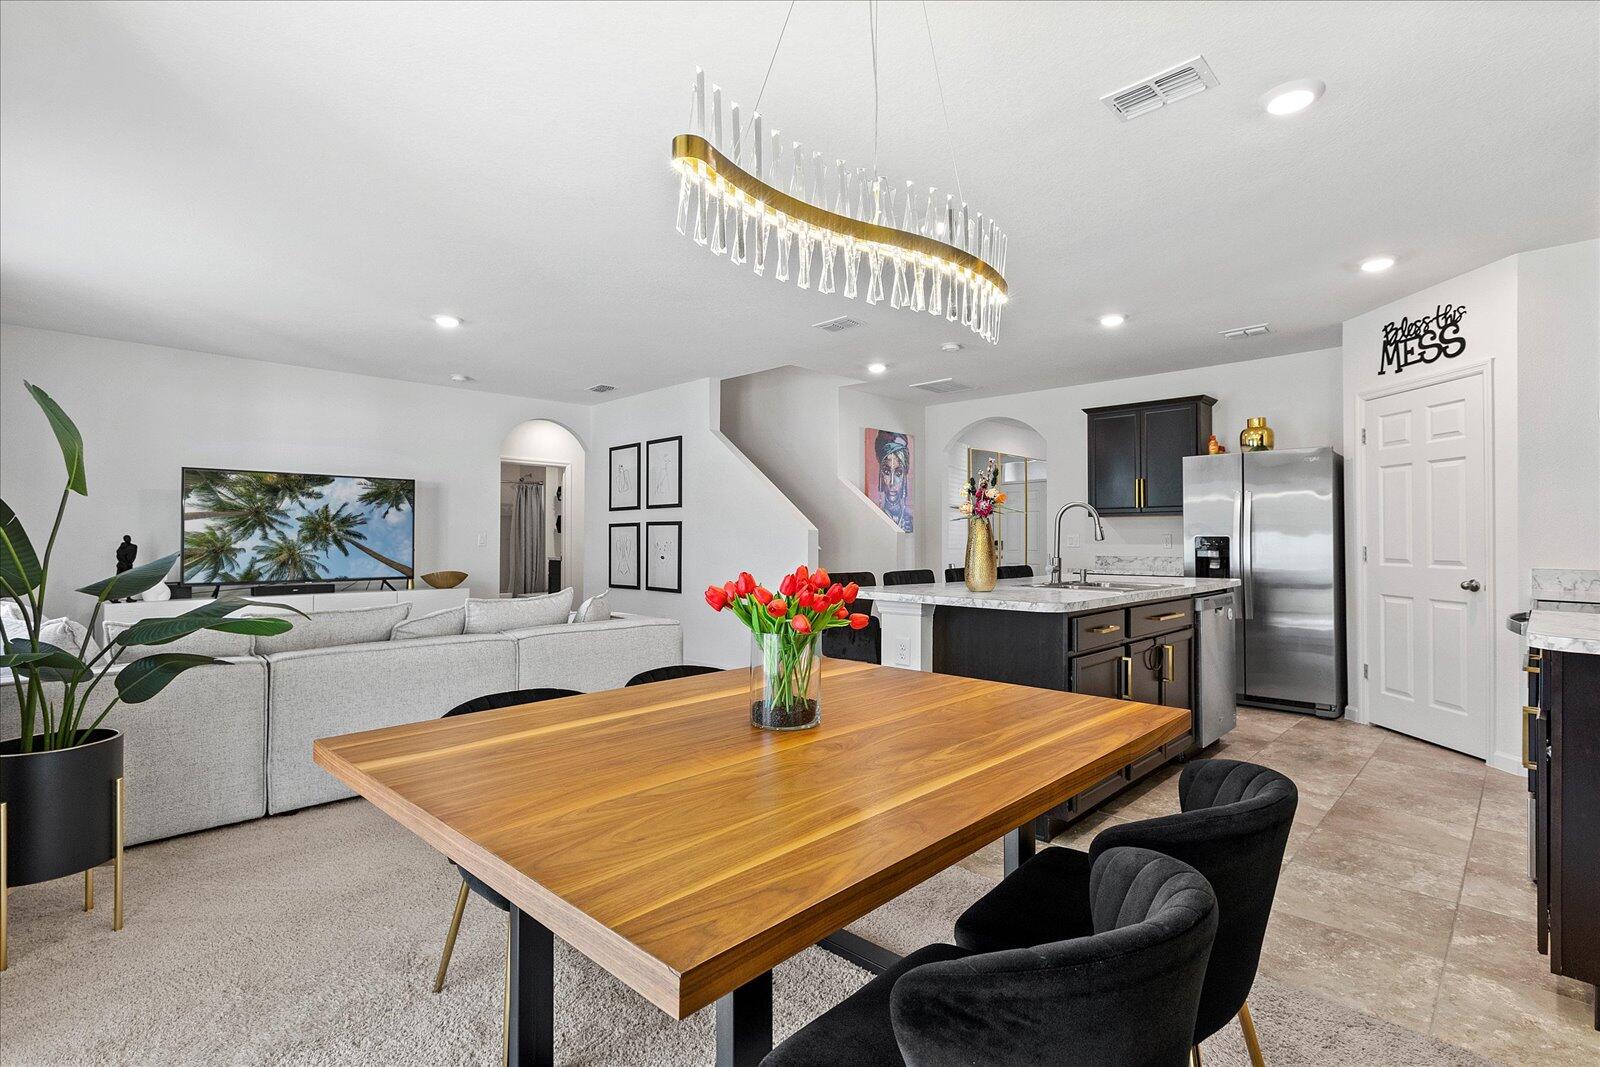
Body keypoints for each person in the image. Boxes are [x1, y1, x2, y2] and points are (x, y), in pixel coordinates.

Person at [872, 430, 913, 532]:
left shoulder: (910, 521)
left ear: (905, 476)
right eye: (886, 471)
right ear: (880, 474)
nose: (891, 482)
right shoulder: (875, 517)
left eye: (898, 473)